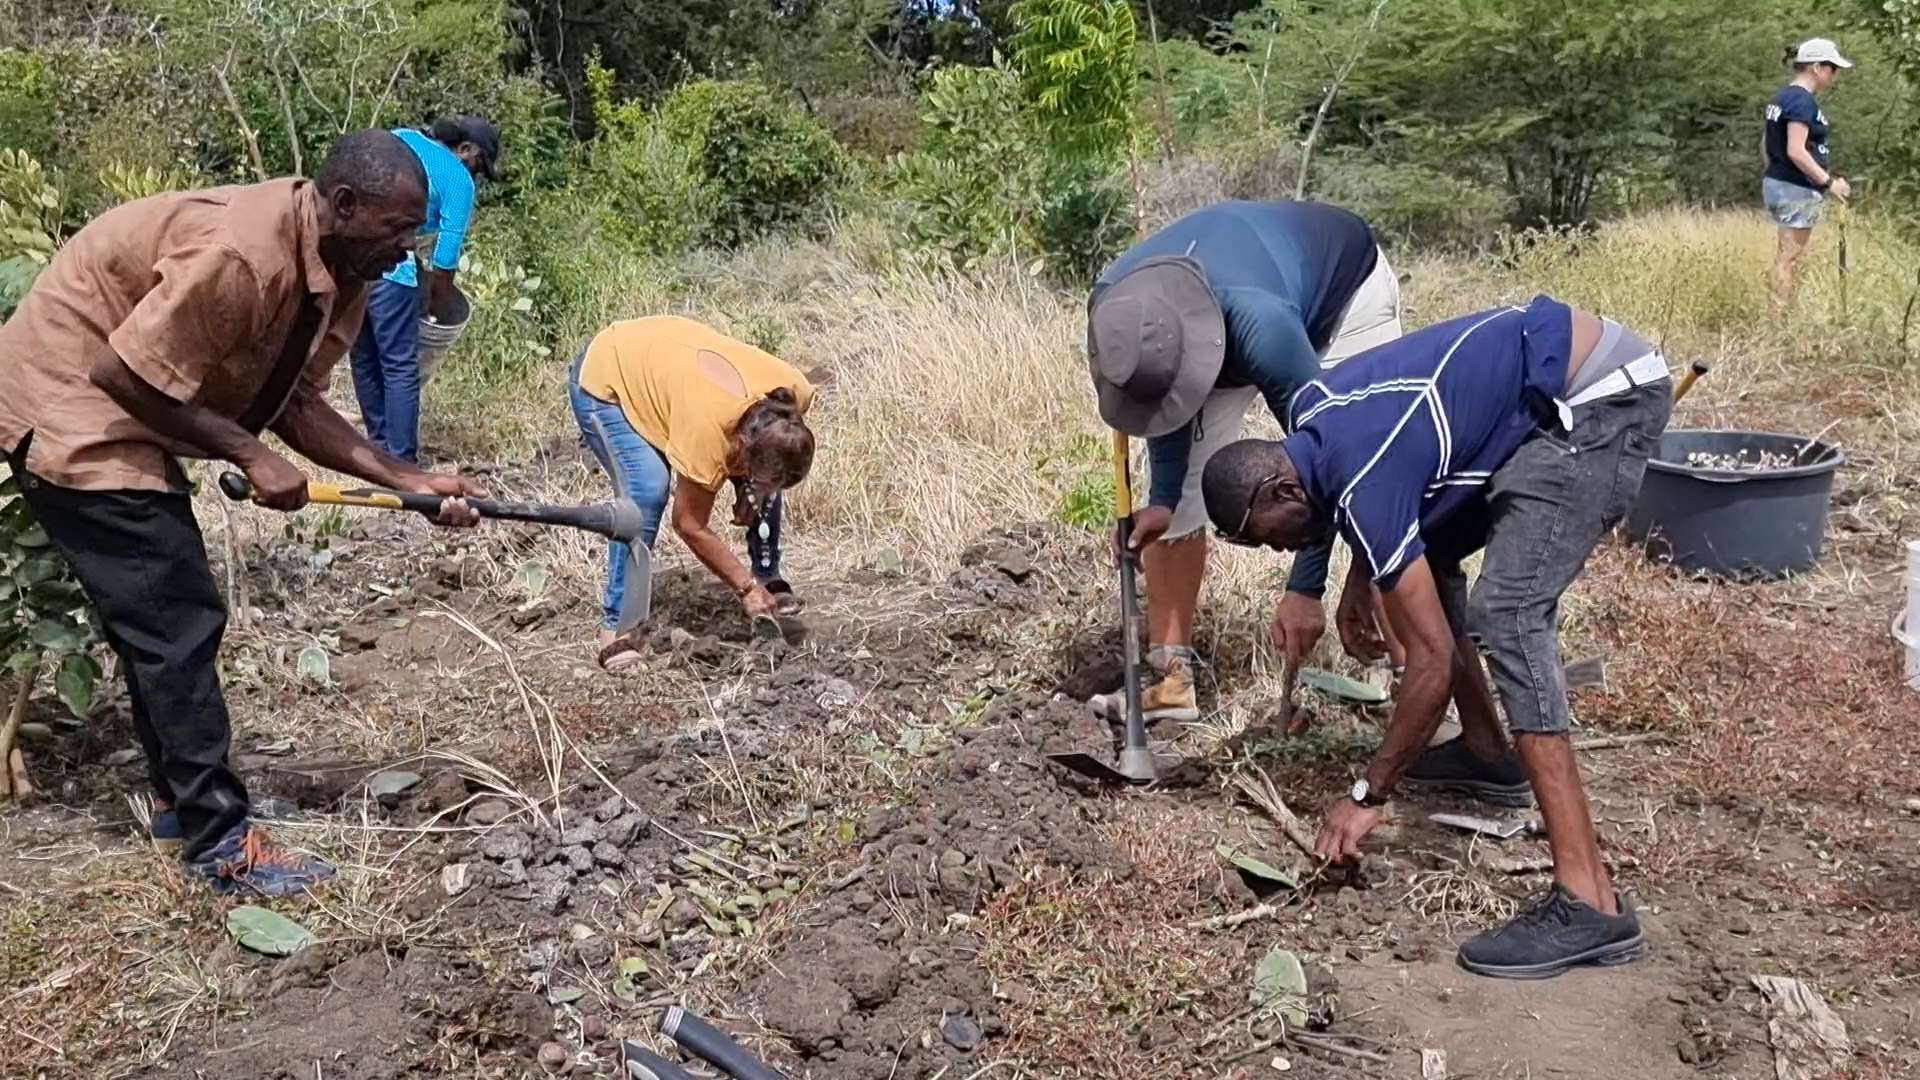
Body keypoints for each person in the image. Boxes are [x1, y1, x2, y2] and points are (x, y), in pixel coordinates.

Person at [0, 129, 489, 896]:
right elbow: (121, 371)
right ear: (344, 204)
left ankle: (178, 802)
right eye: (399, 229)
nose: (411, 251)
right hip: (69, 402)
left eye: (418, 232)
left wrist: (410, 481)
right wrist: (249, 454)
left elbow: (299, 404)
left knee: (159, 620)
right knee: (176, 618)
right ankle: (220, 841)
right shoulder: (241, 255)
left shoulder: (346, 270)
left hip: (125, 403)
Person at [1200, 293, 1672, 979]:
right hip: (1541, 391)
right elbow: (1394, 461)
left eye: (1265, 540)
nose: (1276, 554)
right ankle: (1487, 753)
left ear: (1281, 493)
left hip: (1594, 397)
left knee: (1508, 615)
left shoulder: (1358, 479)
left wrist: (1368, 795)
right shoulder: (1312, 419)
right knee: (1435, 562)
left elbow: (1429, 662)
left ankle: (1589, 900)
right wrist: (1365, 567)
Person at [1084, 199, 1403, 725]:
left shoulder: (1263, 328)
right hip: (1214, 312)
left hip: (1345, 295)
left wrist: (1305, 587)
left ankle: (1413, 680)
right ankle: (1171, 682)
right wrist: (1163, 502)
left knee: (1377, 472)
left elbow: (1323, 456)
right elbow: (1162, 403)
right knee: (1178, 507)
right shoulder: (1116, 311)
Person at [568, 316, 816, 672]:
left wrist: (756, 490)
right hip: (608, 376)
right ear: (740, 448)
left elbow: (774, 453)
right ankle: (618, 627)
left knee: (773, 471)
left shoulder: (792, 396)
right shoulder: (707, 431)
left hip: (668, 356)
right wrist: (743, 589)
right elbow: (688, 523)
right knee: (647, 490)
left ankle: (768, 577)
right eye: (746, 470)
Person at [349, 115, 500, 463]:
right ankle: (401, 460)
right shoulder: (458, 179)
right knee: (399, 365)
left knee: (363, 357)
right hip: (391, 269)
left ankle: (378, 448)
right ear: (464, 149)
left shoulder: (400, 137)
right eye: (478, 163)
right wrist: (434, 302)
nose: (476, 173)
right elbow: (445, 257)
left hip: (353, 263)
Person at [1763, 38, 1853, 317]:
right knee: (1789, 259)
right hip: (1796, 188)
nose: (1834, 75)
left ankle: (1782, 313)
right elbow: (1796, 150)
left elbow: (1766, 142)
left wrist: (1774, 171)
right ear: (1817, 67)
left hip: (1778, 182)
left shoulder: (1781, 98)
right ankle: (1778, 319)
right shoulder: (1802, 102)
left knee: (1786, 255)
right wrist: (1828, 183)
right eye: (1832, 68)